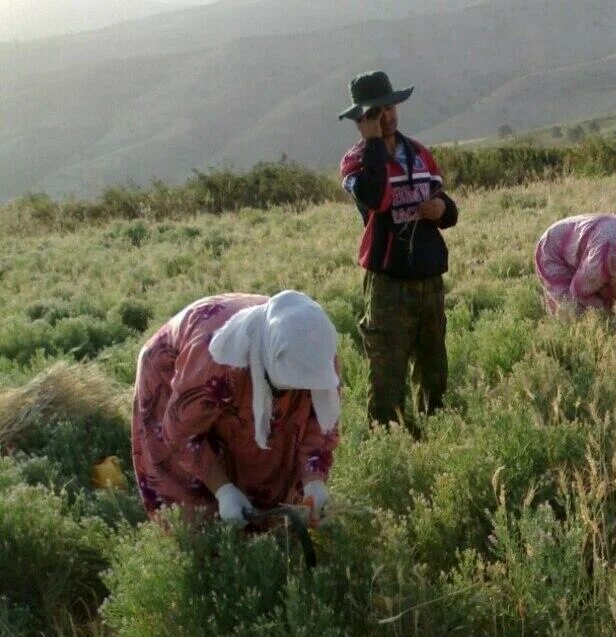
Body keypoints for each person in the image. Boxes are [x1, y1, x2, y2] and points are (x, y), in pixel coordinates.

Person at [131, 291, 340, 526]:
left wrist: (314, 480)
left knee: (268, 460)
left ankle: (259, 532)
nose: (295, 392)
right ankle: (210, 547)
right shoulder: (218, 359)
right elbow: (181, 434)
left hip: (251, 367)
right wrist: (223, 490)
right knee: (194, 501)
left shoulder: (317, 351)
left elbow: (319, 421)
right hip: (173, 372)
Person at [338, 70, 458, 437]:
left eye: (390, 108)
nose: (387, 117)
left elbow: (448, 208)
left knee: (434, 372)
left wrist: (443, 210)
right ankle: (389, 448)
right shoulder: (356, 163)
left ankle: (435, 444)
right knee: (387, 379)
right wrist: (373, 143)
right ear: (362, 119)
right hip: (388, 286)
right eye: (376, 112)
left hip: (429, 282)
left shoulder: (420, 154)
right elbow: (374, 198)